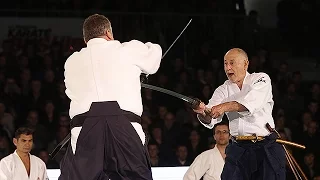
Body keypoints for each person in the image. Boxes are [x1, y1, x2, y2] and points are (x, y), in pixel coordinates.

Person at [58, 14, 162, 180]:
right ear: (108, 33)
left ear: (86, 39)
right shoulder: (127, 50)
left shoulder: (71, 61)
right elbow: (155, 55)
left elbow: (71, 92)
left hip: (85, 129)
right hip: (124, 127)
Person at [193, 48, 286, 180]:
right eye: (225, 64)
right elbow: (211, 118)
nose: (228, 67)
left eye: (232, 63)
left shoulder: (261, 79)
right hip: (239, 147)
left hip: (265, 145)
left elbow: (249, 103)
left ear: (245, 64)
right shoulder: (223, 89)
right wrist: (203, 112)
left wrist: (224, 107)